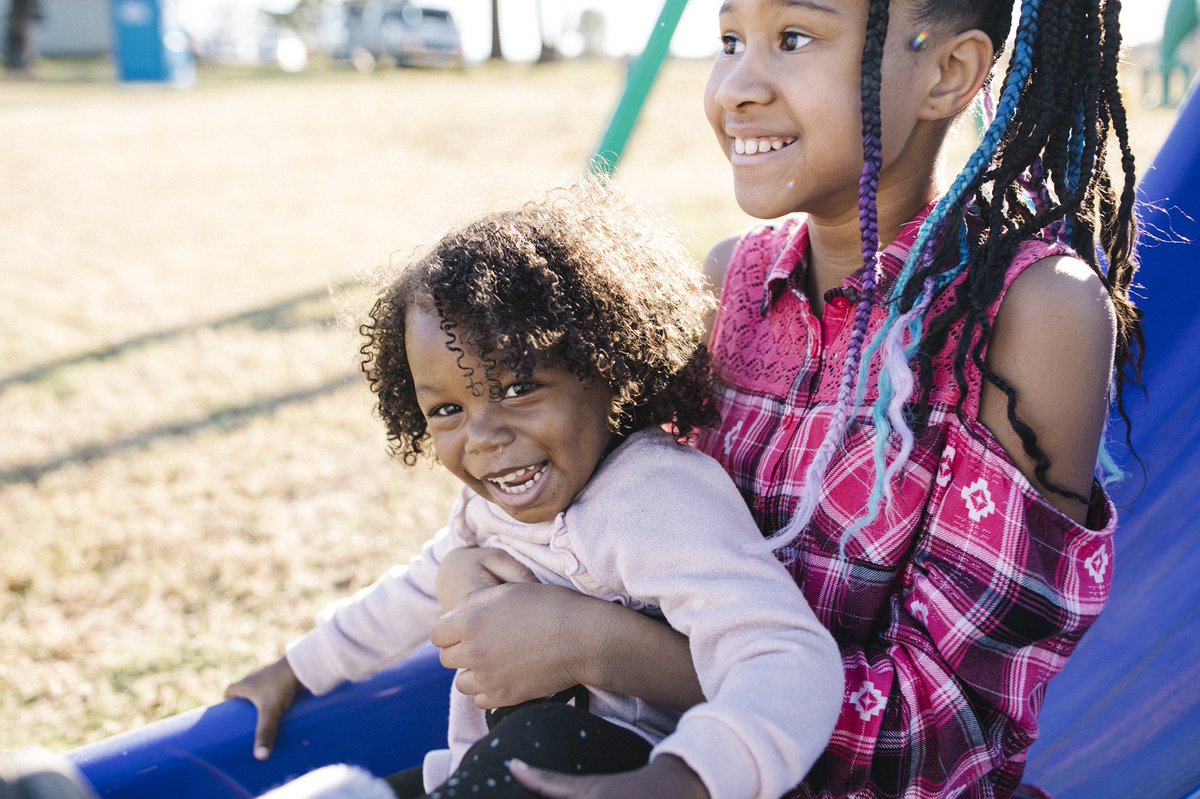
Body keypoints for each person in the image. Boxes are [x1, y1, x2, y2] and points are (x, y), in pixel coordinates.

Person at [433, 1, 1144, 797]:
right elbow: (618, 529)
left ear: (948, 74)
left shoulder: (1031, 313)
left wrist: (595, 644)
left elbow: (941, 733)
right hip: (675, 756)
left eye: (794, 39)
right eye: (730, 40)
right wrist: (473, 570)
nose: (736, 86)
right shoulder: (731, 282)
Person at [225, 180, 845, 799]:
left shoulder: (655, 499)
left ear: (608, 365)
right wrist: (296, 668)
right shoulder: (489, 508)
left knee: (542, 738)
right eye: (446, 410)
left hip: (628, 772)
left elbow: (782, 653)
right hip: (496, 770)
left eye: (519, 389)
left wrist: (685, 777)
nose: (485, 435)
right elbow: (414, 589)